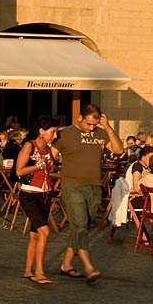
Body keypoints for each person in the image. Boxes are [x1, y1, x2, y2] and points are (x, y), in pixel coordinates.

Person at [53, 103, 123, 282]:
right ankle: (89, 267)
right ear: (79, 118)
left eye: (95, 124)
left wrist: (107, 127)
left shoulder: (100, 133)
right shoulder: (65, 134)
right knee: (81, 224)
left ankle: (66, 264)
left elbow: (118, 150)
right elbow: (51, 155)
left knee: (81, 227)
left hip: (93, 186)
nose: (91, 128)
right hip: (72, 186)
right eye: (88, 124)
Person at [15, 115, 59, 285]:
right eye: (52, 132)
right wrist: (38, 166)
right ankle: (39, 272)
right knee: (44, 232)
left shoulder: (49, 148)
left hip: (45, 194)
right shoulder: (29, 146)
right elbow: (19, 171)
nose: (54, 136)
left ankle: (28, 269)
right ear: (41, 131)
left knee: (35, 234)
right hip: (29, 194)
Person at [109, 145, 153, 228]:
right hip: (134, 199)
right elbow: (136, 187)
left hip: (143, 197)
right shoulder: (137, 167)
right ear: (143, 157)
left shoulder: (148, 168)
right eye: (151, 157)